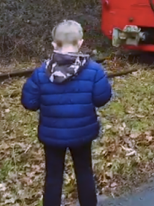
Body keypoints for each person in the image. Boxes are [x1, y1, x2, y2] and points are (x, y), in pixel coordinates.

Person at [21, 20, 112, 206]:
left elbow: (29, 102)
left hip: (52, 136)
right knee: (84, 172)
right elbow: (101, 99)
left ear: (54, 44)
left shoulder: (41, 73)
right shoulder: (94, 70)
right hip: (82, 134)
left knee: (53, 177)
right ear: (80, 43)